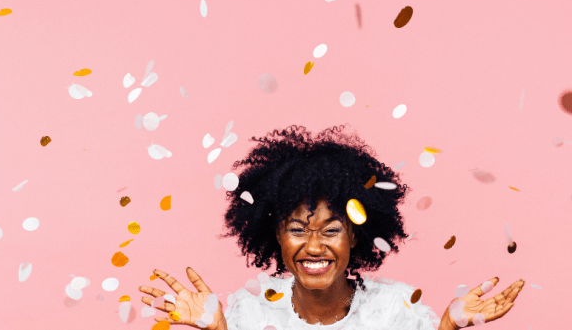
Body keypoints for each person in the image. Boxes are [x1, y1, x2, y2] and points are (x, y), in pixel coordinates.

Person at [139, 125, 524, 330]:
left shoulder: (396, 311)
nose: (314, 246)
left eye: (330, 230)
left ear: (355, 234)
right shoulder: (251, 313)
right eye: (297, 229)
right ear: (275, 235)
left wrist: (445, 329)